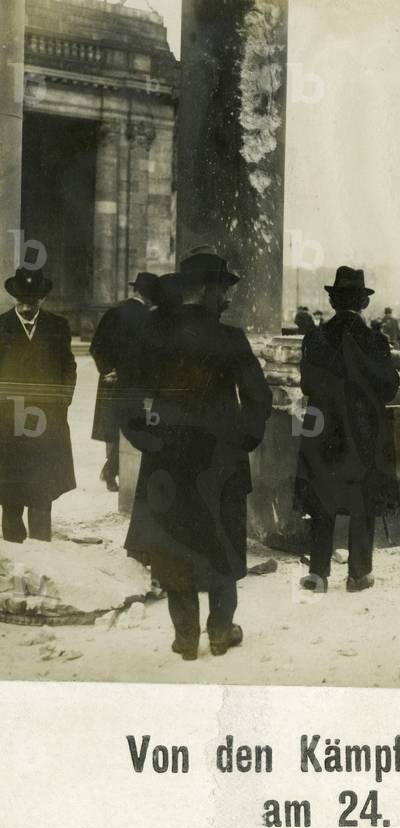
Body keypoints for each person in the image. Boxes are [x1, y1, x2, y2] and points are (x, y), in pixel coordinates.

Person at [122, 248, 271, 660]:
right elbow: (259, 396)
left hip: (167, 461)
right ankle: (221, 632)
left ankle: (186, 637)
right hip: (220, 461)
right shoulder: (229, 338)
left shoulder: (153, 333)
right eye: (222, 290)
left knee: (173, 546)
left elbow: (126, 395)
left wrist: (145, 441)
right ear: (205, 290)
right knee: (221, 542)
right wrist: (245, 440)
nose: (226, 299)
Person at [294, 266, 399, 595]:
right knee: (362, 501)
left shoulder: (315, 338)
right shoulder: (375, 341)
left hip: (322, 431)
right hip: (363, 433)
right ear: (363, 303)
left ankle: (318, 573)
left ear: (333, 301)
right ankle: (358, 573)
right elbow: (389, 388)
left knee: (321, 497)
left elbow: (307, 383)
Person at [0, 266, 76, 543]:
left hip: (47, 421)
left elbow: (69, 366)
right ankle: (14, 545)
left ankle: (42, 549)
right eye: (21, 301)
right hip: (8, 423)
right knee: (10, 489)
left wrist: (63, 400)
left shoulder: (58, 326)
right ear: (13, 299)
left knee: (42, 487)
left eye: (32, 302)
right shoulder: (1, 326)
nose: (26, 307)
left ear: (41, 300)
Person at [90, 272, 159, 491]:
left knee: (111, 425)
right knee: (131, 425)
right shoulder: (150, 319)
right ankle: (116, 471)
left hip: (111, 380)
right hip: (134, 383)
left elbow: (96, 346)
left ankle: (111, 472)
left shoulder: (113, 313)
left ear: (135, 290)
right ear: (149, 297)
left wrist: (107, 370)